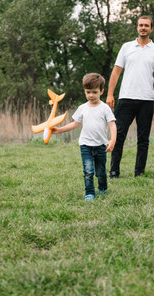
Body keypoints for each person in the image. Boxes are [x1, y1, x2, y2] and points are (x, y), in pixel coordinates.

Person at [106, 15, 154, 178]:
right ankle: (114, 171)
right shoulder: (126, 47)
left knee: (143, 139)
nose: (143, 28)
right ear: (137, 27)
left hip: (147, 100)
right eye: (140, 25)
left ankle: (139, 172)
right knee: (118, 135)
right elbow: (116, 72)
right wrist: (110, 94)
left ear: (151, 28)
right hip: (126, 98)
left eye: (146, 25)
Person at [52, 73, 116, 201]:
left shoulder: (105, 108)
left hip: (101, 146)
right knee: (88, 171)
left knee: (100, 172)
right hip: (85, 146)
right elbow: (75, 123)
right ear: (84, 91)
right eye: (88, 92)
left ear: (101, 91)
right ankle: (90, 194)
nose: (91, 95)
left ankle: (102, 189)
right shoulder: (82, 108)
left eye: (94, 92)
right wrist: (59, 130)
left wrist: (113, 140)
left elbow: (112, 125)